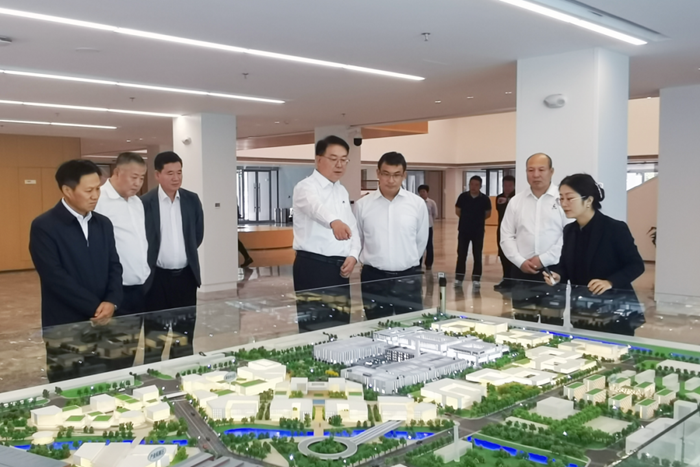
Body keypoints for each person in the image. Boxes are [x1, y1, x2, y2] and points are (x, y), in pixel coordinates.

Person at [29, 160, 122, 328]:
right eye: (89, 190)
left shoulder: (103, 223)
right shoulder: (44, 226)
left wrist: (111, 300)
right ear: (67, 191)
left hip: (104, 318)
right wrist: (95, 308)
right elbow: (54, 276)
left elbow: (114, 265)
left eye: (98, 189)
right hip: (65, 321)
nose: (95, 196)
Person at [292, 135, 360, 331]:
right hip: (313, 266)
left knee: (340, 325)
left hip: (339, 269)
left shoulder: (341, 191)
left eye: (344, 159)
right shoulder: (305, 187)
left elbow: (352, 226)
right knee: (315, 325)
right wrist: (334, 222)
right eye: (333, 159)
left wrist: (354, 254)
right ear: (318, 159)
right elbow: (315, 208)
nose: (339, 165)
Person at [544, 173, 644, 297]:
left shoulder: (615, 228)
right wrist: (558, 276)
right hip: (581, 300)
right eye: (561, 198)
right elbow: (566, 266)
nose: (564, 204)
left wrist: (610, 282)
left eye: (569, 198)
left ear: (589, 200)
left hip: (614, 300)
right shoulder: (569, 230)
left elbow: (636, 265)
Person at [355, 152, 429, 319]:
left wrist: (405, 262)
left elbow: (421, 240)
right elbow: (358, 239)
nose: (391, 180)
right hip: (373, 278)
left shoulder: (417, 204)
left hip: (408, 277)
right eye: (386, 174)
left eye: (396, 175)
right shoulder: (362, 205)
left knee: (411, 325)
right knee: (376, 326)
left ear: (404, 175)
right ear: (378, 173)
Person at [500, 153, 570, 312]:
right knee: (522, 320)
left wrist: (543, 259)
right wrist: (519, 261)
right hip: (521, 270)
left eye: (541, 170)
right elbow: (506, 235)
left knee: (551, 320)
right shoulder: (516, 201)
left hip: (553, 269)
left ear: (551, 171)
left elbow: (568, 236)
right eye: (531, 170)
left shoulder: (562, 200)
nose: (536, 175)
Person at [141, 151, 204, 311]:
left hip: (186, 277)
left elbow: (197, 235)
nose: (176, 178)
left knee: (186, 323)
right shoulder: (144, 203)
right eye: (170, 173)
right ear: (157, 175)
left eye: (179, 172)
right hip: (156, 278)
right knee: (156, 325)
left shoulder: (192, 200)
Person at [94, 152, 151, 315]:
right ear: (117, 172)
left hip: (140, 286)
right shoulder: (99, 200)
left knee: (134, 331)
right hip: (113, 289)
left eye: (141, 178)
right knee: (116, 331)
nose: (138, 183)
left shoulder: (137, 202)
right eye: (134, 177)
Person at [454, 175, 492, 287]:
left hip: (478, 231)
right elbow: (458, 211)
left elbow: (488, 214)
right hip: (464, 230)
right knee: (461, 254)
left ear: (480, 186)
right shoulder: (463, 197)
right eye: (471, 184)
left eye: (476, 185)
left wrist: (477, 220)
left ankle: (476, 278)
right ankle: (459, 277)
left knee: (477, 255)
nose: (473, 187)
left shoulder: (485, 199)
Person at [494, 175, 516, 290]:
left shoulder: (517, 197)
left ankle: (513, 280)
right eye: (505, 185)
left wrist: (508, 200)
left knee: (513, 255)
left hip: (515, 232)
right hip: (502, 230)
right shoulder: (499, 197)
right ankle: (506, 279)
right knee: (503, 255)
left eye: (510, 185)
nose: (507, 188)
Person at [418, 184, 438, 270]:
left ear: (427, 192)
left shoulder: (431, 202)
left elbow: (434, 214)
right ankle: (418, 263)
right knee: (419, 245)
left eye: (424, 191)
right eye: (420, 192)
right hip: (419, 228)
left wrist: (430, 222)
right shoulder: (417, 202)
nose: (422, 193)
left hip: (428, 227)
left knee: (429, 245)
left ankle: (429, 263)